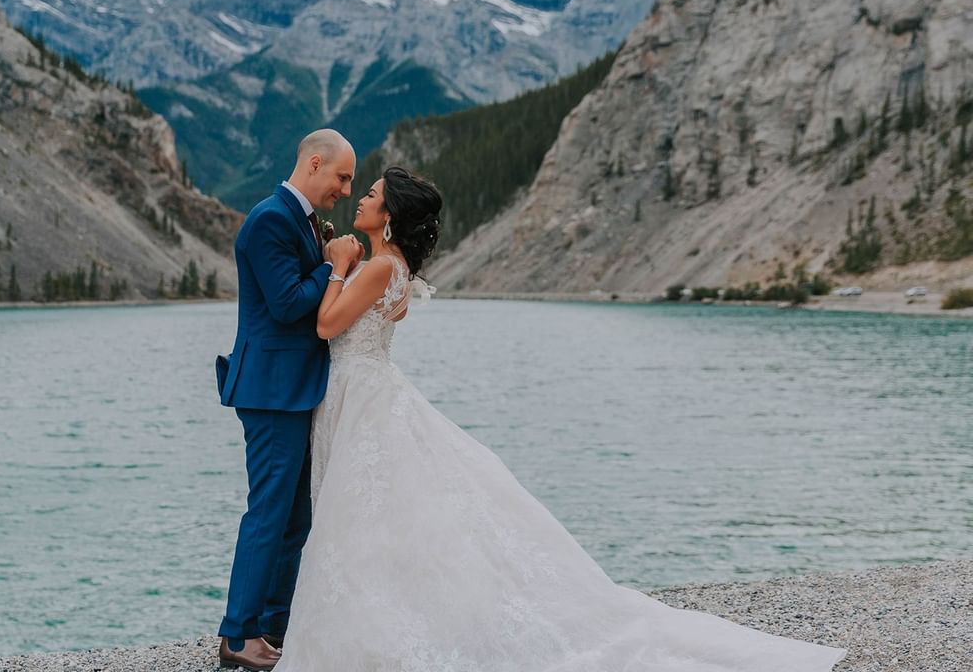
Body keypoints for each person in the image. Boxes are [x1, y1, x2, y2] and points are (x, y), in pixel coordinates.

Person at [272, 166, 848, 672]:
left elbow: (326, 327)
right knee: (379, 515)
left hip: (361, 393)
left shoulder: (375, 267)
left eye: (371, 193)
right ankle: (390, 620)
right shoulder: (397, 268)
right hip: (367, 389)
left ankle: (374, 627)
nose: (362, 199)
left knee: (362, 515)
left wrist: (339, 263)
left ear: (390, 214)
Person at [214, 129, 363, 671]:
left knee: (294, 518)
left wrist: (325, 256)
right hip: (271, 391)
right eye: (343, 177)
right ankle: (237, 635)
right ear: (315, 163)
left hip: (291, 389)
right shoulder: (270, 219)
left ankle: (271, 628)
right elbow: (286, 304)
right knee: (269, 512)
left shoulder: (296, 219)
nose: (347, 189)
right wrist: (334, 265)